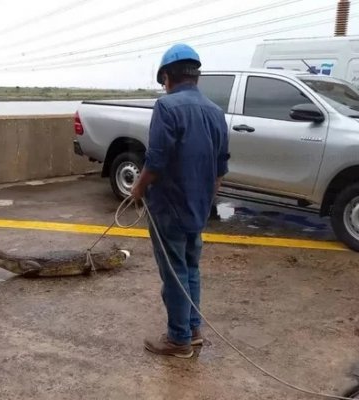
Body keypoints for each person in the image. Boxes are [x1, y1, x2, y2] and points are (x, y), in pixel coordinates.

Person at [131, 44, 230, 358]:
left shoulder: (166, 107)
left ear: (166, 77)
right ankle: (193, 329)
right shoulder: (216, 111)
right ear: (196, 77)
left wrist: (137, 188)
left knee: (174, 271)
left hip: (169, 207)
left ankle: (178, 340)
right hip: (197, 206)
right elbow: (220, 167)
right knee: (191, 268)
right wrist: (205, 199)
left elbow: (156, 161)